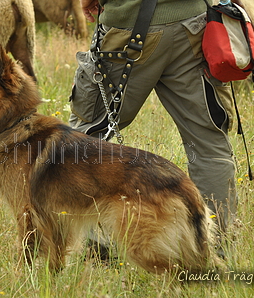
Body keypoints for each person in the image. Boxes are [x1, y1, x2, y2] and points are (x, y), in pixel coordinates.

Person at [68, 0, 237, 258]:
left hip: (129, 23)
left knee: (83, 139)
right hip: (193, 24)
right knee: (209, 145)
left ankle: (99, 248)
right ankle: (217, 249)